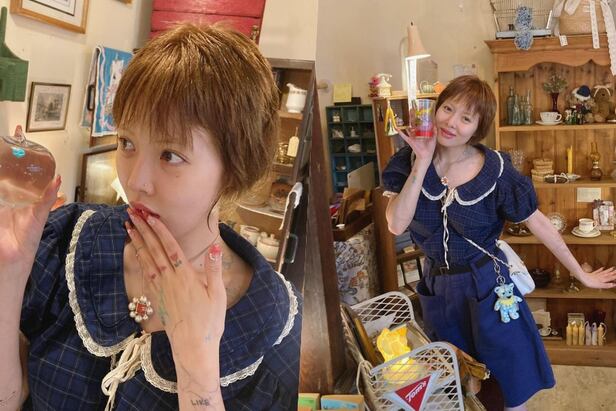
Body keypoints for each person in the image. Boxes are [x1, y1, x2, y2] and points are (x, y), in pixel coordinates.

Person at [0, 24, 301, 411]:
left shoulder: (275, 332)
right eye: (127, 142)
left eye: (170, 155)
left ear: (234, 168)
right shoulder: (68, 243)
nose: (135, 181)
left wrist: (196, 369)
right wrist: (9, 274)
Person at [382, 75, 616, 411]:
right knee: (456, 380)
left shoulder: (497, 170)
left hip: (488, 286)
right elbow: (396, 224)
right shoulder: (408, 160)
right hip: (438, 287)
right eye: (447, 109)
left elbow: (539, 223)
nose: (451, 122)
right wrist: (421, 161)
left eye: (466, 118)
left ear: (477, 128)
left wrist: (581, 273)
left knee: (508, 379)